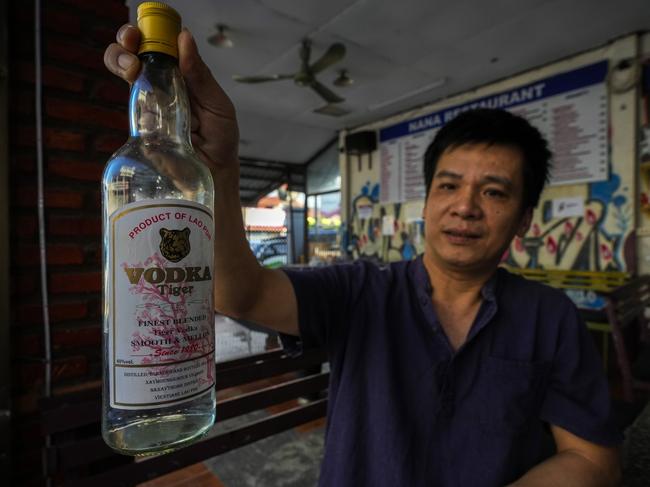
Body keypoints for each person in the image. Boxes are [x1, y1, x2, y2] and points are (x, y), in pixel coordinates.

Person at [105, 25, 623, 487]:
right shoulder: (361, 290)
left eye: (494, 192)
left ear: (526, 218)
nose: (465, 207)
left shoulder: (550, 318)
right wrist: (217, 170)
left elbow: (592, 460)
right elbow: (242, 293)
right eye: (449, 185)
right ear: (428, 201)